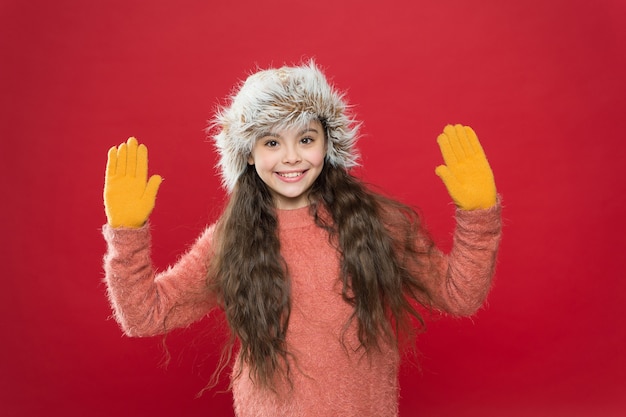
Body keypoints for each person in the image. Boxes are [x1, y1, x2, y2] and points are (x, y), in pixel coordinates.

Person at [102, 61, 502, 417]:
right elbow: (145, 316)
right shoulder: (229, 240)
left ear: (328, 144)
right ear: (249, 154)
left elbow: (459, 294)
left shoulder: (375, 222)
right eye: (272, 142)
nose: (291, 157)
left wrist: (478, 215)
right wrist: (127, 233)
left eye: (306, 139)